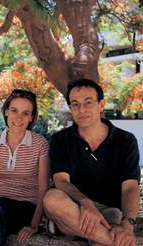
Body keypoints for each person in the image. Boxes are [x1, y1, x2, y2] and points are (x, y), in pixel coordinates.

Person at [43, 79, 140, 246]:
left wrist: (127, 225)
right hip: (73, 209)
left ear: (101, 105)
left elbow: (130, 187)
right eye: (75, 104)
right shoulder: (60, 140)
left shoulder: (125, 140)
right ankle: (113, 238)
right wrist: (85, 203)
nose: (81, 110)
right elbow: (61, 181)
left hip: (109, 213)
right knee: (51, 198)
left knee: (102, 239)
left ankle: (103, 236)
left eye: (88, 102)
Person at [0, 89, 49, 245]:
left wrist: (34, 224)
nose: (19, 117)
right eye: (14, 110)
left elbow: (43, 188)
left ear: (32, 117)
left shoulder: (40, 144)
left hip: (25, 207)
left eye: (26, 113)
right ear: (6, 111)